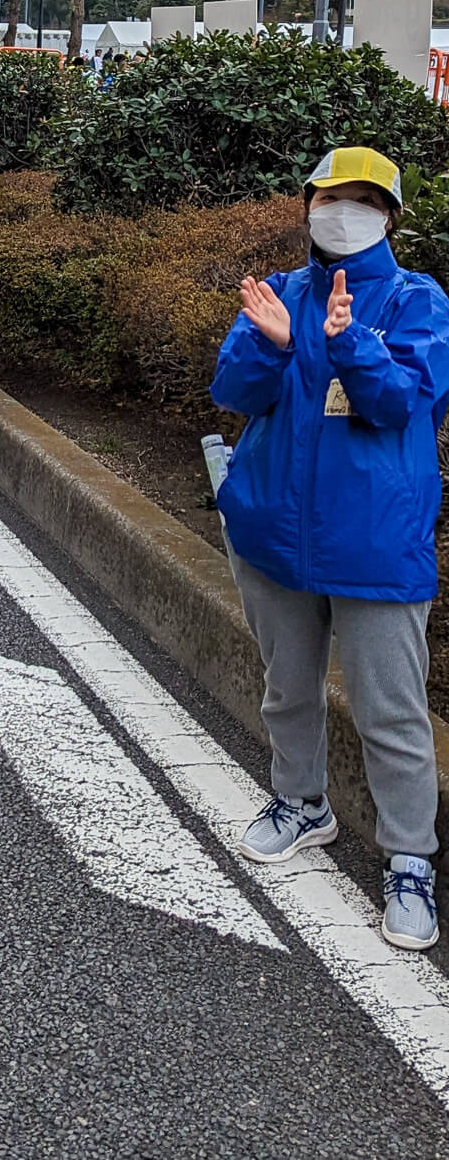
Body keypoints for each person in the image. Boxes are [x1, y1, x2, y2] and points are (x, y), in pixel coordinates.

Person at [211, 146, 449, 953]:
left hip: (375, 545)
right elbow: (234, 392)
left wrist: (350, 344)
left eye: (359, 199)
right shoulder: (280, 292)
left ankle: (410, 858)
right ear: (307, 206)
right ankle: (302, 801)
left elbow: (400, 403)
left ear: (388, 215)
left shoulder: (419, 300)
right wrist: (272, 343)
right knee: (288, 688)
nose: (339, 211)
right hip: (274, 532)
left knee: (391, 711)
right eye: (327, 197)